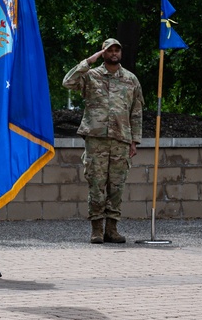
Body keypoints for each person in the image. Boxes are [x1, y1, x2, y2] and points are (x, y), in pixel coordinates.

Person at [62, 38, 144, 244]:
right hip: (96, 139)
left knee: (116, 187)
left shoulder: (131, 79)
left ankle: (112, 229)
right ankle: (97, 229)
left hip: (121, 140)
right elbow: (68, 82)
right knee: (96, 186)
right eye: (110, 50)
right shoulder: (91, 76)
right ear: (103, 53)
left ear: (121, 53)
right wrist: (88, 61)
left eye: (117, 50)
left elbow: (136, 111)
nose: (114, 53)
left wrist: (135, 140)